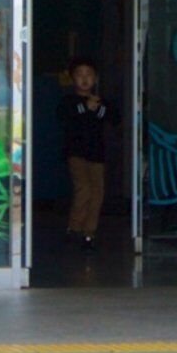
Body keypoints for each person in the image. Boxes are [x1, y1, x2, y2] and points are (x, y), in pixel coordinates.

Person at [60, 60, 115, 247]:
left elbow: (114, 118)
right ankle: (75, 227)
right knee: (83, 189)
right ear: (73, 78)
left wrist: (97, 108)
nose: (84, 79)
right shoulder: (68, 101)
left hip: (97, 153)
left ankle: (89, 231)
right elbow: (65, 117)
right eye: (79, 74)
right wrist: (86, 108)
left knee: (97, 192)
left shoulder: (101, 102)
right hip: (76, 153)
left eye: (89, 74)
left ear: (95, 78)